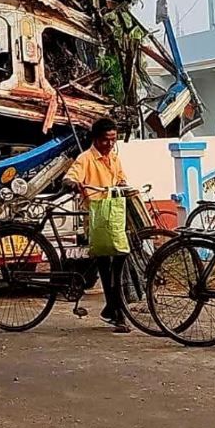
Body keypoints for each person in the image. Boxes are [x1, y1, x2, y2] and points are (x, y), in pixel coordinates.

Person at [62, 118, 132, 334]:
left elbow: (121, 180)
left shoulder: (114, 158)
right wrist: (74, 184)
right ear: (96, 139)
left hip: (114, 217)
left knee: (119, 260)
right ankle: (116, 310)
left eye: (113, 140)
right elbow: (69, 177)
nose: (109, 144)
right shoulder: (86, 159)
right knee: (106, 264)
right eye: (105, 141)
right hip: (96, 219)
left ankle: (114, 307)